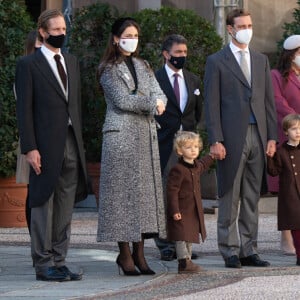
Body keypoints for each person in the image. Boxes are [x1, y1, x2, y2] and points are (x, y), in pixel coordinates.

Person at [15, 9, 88, 282]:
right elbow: (24, 110)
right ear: (43, 32)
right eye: (56, 30)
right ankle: (43, 262)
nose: (61, 34)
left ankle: (59, 259)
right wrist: (30, 147)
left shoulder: (71, 61)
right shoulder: (28, 65)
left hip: (71, 142)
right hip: (43, 145)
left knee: (65, 204)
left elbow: (75, 106)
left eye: (64, 30)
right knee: (42, 201)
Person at [204, 8, 277, 268]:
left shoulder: (260, 59)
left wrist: (272, 137)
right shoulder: (216, 61)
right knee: (229, 195)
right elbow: (211, 104)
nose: (247, 29)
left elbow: (268, 101)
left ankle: (249, 248)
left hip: (258, 135)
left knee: (251, 196)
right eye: (242, 25)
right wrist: (216, 139)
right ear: (230, 29)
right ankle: (229, 249)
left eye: (249, 24)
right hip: (230, 137)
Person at [96, 17, 167, 276]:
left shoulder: (144, 65)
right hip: (121, 137)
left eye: (135, 35)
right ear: (116, 38)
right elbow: (122, 100)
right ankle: (124, 253)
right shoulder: (108, 68)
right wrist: (151, 103)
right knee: (122, 197)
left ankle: (140, 252)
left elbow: (160, 93)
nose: (132, 39)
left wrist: (156, 100)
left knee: (143, 199)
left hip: (144, 136)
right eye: (127, 34)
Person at [154, 34, 202, 261]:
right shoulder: (155, 79)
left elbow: (196, 112)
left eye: (185, 52)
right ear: (166, 54)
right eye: (178, 53)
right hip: (164, 145)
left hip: (188, 146)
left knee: (186, 196)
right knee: (166, 194)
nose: (182, 56)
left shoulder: (193, 80)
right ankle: (165, 243)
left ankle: (184, 243)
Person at [268, 35, 300, 255]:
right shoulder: (276, 75)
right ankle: (286, 236)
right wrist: (297, 121)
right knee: (288, 190)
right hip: (287, 137)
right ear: (291, 54)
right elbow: (278, 102)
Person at [166, 131, 214, 273]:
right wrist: (174, 210)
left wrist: (212, 156)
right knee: (181, 236)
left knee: (189, 235)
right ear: (180, 151)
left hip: (192, 210)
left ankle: (187, 261)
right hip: (181, 210)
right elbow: (172, 191)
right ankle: (184, 261)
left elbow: (204, 164)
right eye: (188, 147)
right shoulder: (178, 170)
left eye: (195, 147)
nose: (193, 150)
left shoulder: (196, 166)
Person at [15, 30, 43, 235]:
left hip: (51, 135)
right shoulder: (25, 69)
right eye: (36, 47)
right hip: (31, 136)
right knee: (32, 189)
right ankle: (35, 236)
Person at [267, 114, 300, 266]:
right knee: (296, 226)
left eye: (299, 128)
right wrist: (270, 158)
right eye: (294, 129)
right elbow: (273, 171)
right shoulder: (281, 151)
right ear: (286, 132)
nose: (298, 132)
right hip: (290, 195)